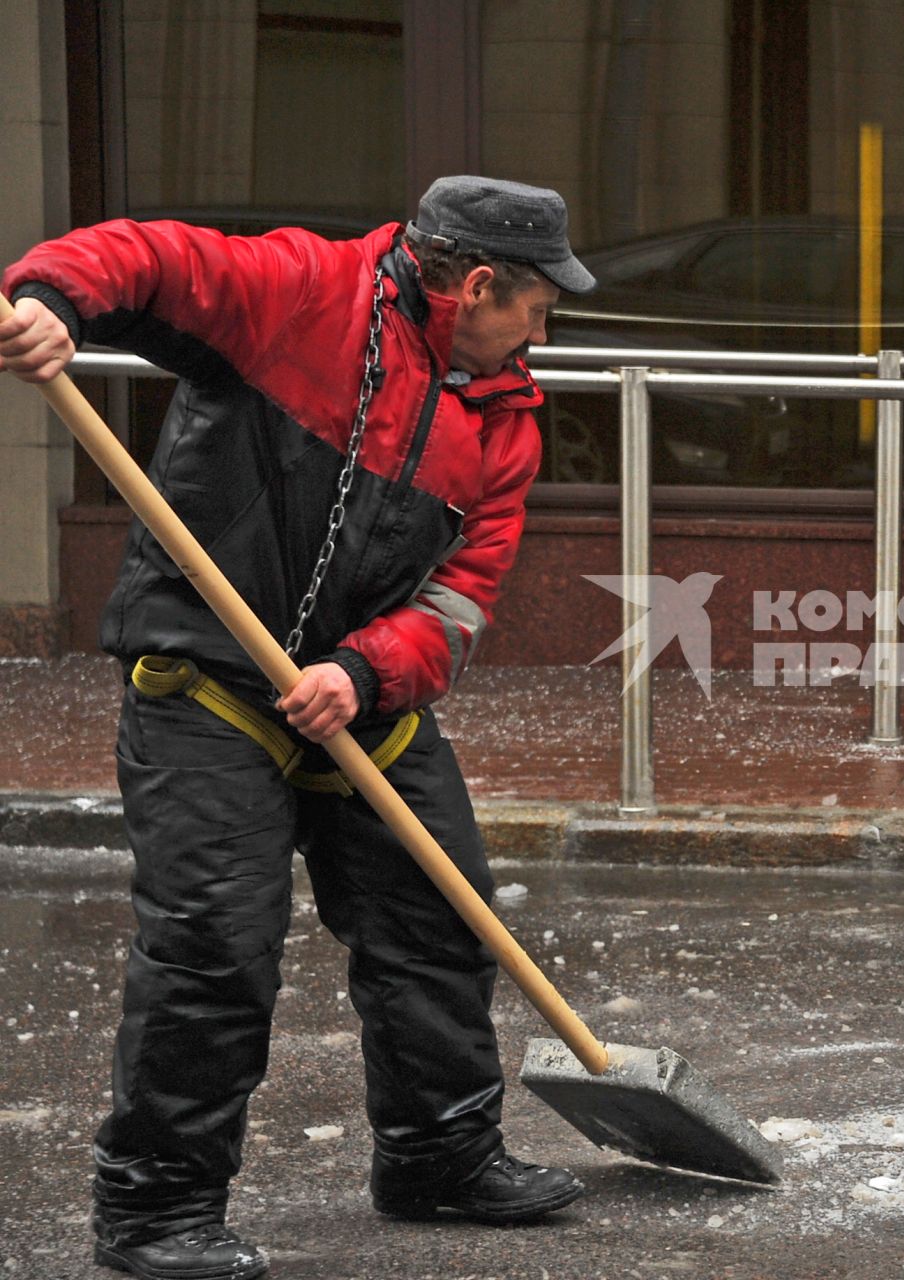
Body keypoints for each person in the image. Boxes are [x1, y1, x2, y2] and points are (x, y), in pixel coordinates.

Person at [0, 176, 596, 1279]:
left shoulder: (502, 417)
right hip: (211, 680)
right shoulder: (298, 292)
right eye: (537, 306)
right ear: (478, 286)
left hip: (363, 695)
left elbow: (462, 596)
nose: (542, 329)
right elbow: (146, 257)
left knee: (436, 917)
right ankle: (156, 1210)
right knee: (214, 944)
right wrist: (51, 301)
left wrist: (364, 673)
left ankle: (440, 1156)